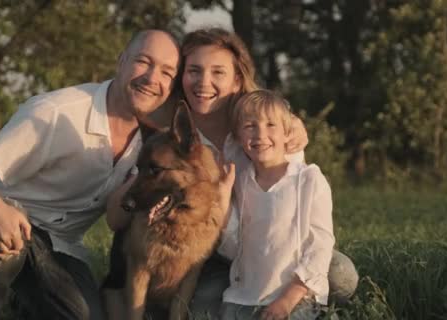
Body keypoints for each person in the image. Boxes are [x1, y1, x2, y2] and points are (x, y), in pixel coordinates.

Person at [105, 27, 358, 318]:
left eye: (218, 72)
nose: (204, 82)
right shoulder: (167, 134)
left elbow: (300, 206)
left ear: (237, 80)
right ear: (181, 76)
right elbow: (115, 218)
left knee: (340, 273)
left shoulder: (263, 131)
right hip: (211, 256)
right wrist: (143, 184)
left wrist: (293, 124)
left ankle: (309, 305)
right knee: (201, 312)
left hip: (272, 252)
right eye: (194, 70)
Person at [0, 29, 181, 319]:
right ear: (121, 61)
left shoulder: (152, 145)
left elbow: (114, 218)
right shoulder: (56, 112)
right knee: (8, 250)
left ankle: (26, 302)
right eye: (144, 61)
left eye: (167, 73)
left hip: (60, 245)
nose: (152, 78)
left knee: (85, 315)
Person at [218, 89, 334, 320]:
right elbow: (233, 250)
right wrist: (222, 201)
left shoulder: (308, 180)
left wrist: (288, 299)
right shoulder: (240, 183)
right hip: (243, 296)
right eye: (250, 126)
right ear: (239, 138)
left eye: (271, 125)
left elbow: (321, 244)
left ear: (287, 134)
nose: (260, 134)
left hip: (296, 295)